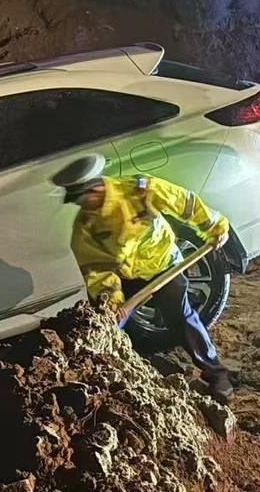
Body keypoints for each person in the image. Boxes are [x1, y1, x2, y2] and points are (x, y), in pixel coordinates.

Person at [52, 154, 235, 401]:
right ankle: (102, 386)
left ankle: (217, 375)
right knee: (108, 327)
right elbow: (97, 269)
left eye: (83, 199)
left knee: (182, 318)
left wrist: (214, 227)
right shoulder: (86, 227)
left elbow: (184, 203)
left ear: (96, 189)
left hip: (164, 267)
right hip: (129, 276)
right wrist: (112, 301)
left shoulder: (138, 191)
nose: (81, 206)